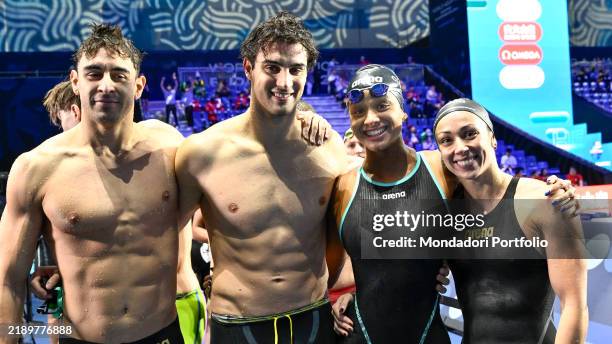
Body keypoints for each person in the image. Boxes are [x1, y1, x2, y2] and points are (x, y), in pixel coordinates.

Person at [329, 67, 578, 343]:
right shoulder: (342, 187)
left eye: (382, 105)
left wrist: (558, 189)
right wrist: (352, 295)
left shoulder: (440, 170)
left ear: (403, 112)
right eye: (359, 111)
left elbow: (574, 306)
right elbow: (358, 270)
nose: (371, 118)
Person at [0, 24, 186, 343]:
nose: (106, 85)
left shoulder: (169, 146)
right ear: (75, 81)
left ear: (139, 85)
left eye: (118, 74)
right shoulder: (38, 167)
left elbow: (230, 159)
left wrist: (300, 123)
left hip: (162, 333)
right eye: (94, 73)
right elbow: (8, 279)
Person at [175, 12, 346, 343]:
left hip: (313, 318)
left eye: (296, 69)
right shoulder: (203, 153)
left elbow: (355, 229)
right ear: (249, 68)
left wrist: (430, 268)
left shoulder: (327, 147)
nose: (284, 81)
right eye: (273, 67)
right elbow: (156, 236)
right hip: (238, 324)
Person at [434, 98, 587, 343]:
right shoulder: (444, 214)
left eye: (470, 134)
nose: (460, 147)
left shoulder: (545, 201)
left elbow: (575, 306)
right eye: (446, 140)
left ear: (492, 138)